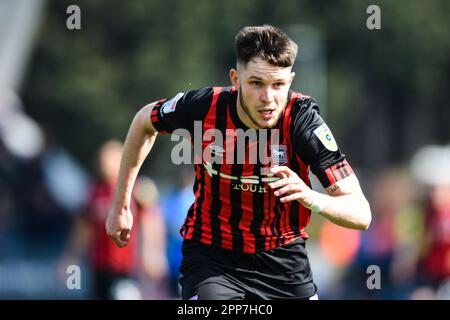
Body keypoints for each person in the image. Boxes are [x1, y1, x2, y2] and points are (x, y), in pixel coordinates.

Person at [106, 25, 371, 300]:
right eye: (256, 83)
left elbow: (361, 213)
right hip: (212, 258)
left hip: (283, 263)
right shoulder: (203, 106)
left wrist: (310, 197)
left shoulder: (303, 121)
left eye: (278, 85)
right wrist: (120, 205)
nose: (268, 98)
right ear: (236, 79)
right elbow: (143, 122)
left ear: (290, 81)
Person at [60, 140, 168, 299]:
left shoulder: (137, 189)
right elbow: (83, 230)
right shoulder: (93, 193)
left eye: (109, 158)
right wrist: (70, 257)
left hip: (128, 268)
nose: (104, 163)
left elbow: (152, 222)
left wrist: (153, 253)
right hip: (99, 266)